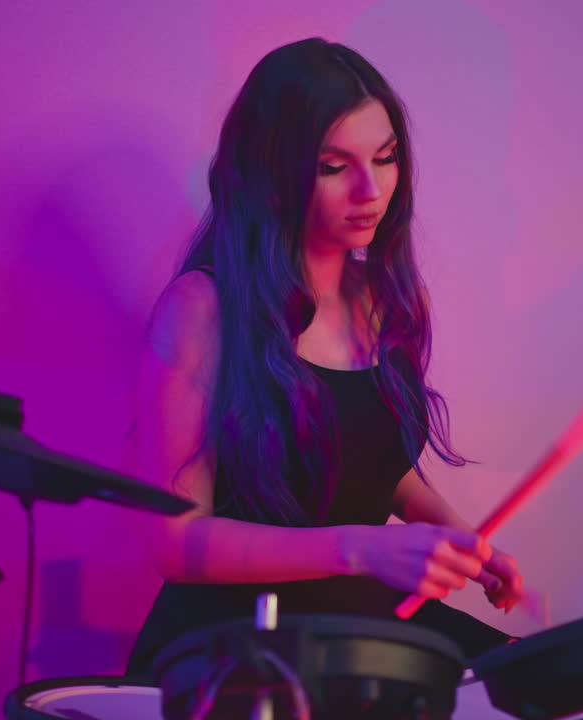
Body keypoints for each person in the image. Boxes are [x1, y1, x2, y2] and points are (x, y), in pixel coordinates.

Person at [126, 38, 523, 675]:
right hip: (235, 640)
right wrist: (360, 550)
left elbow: (367, 459)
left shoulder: (384, 299)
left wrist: (459, 543)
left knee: (544, 681)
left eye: (386, 158)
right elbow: (174, 541)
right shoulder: (202, 308)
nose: (371, 189)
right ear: (273, 173)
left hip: (355, 622)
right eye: (334, 166)